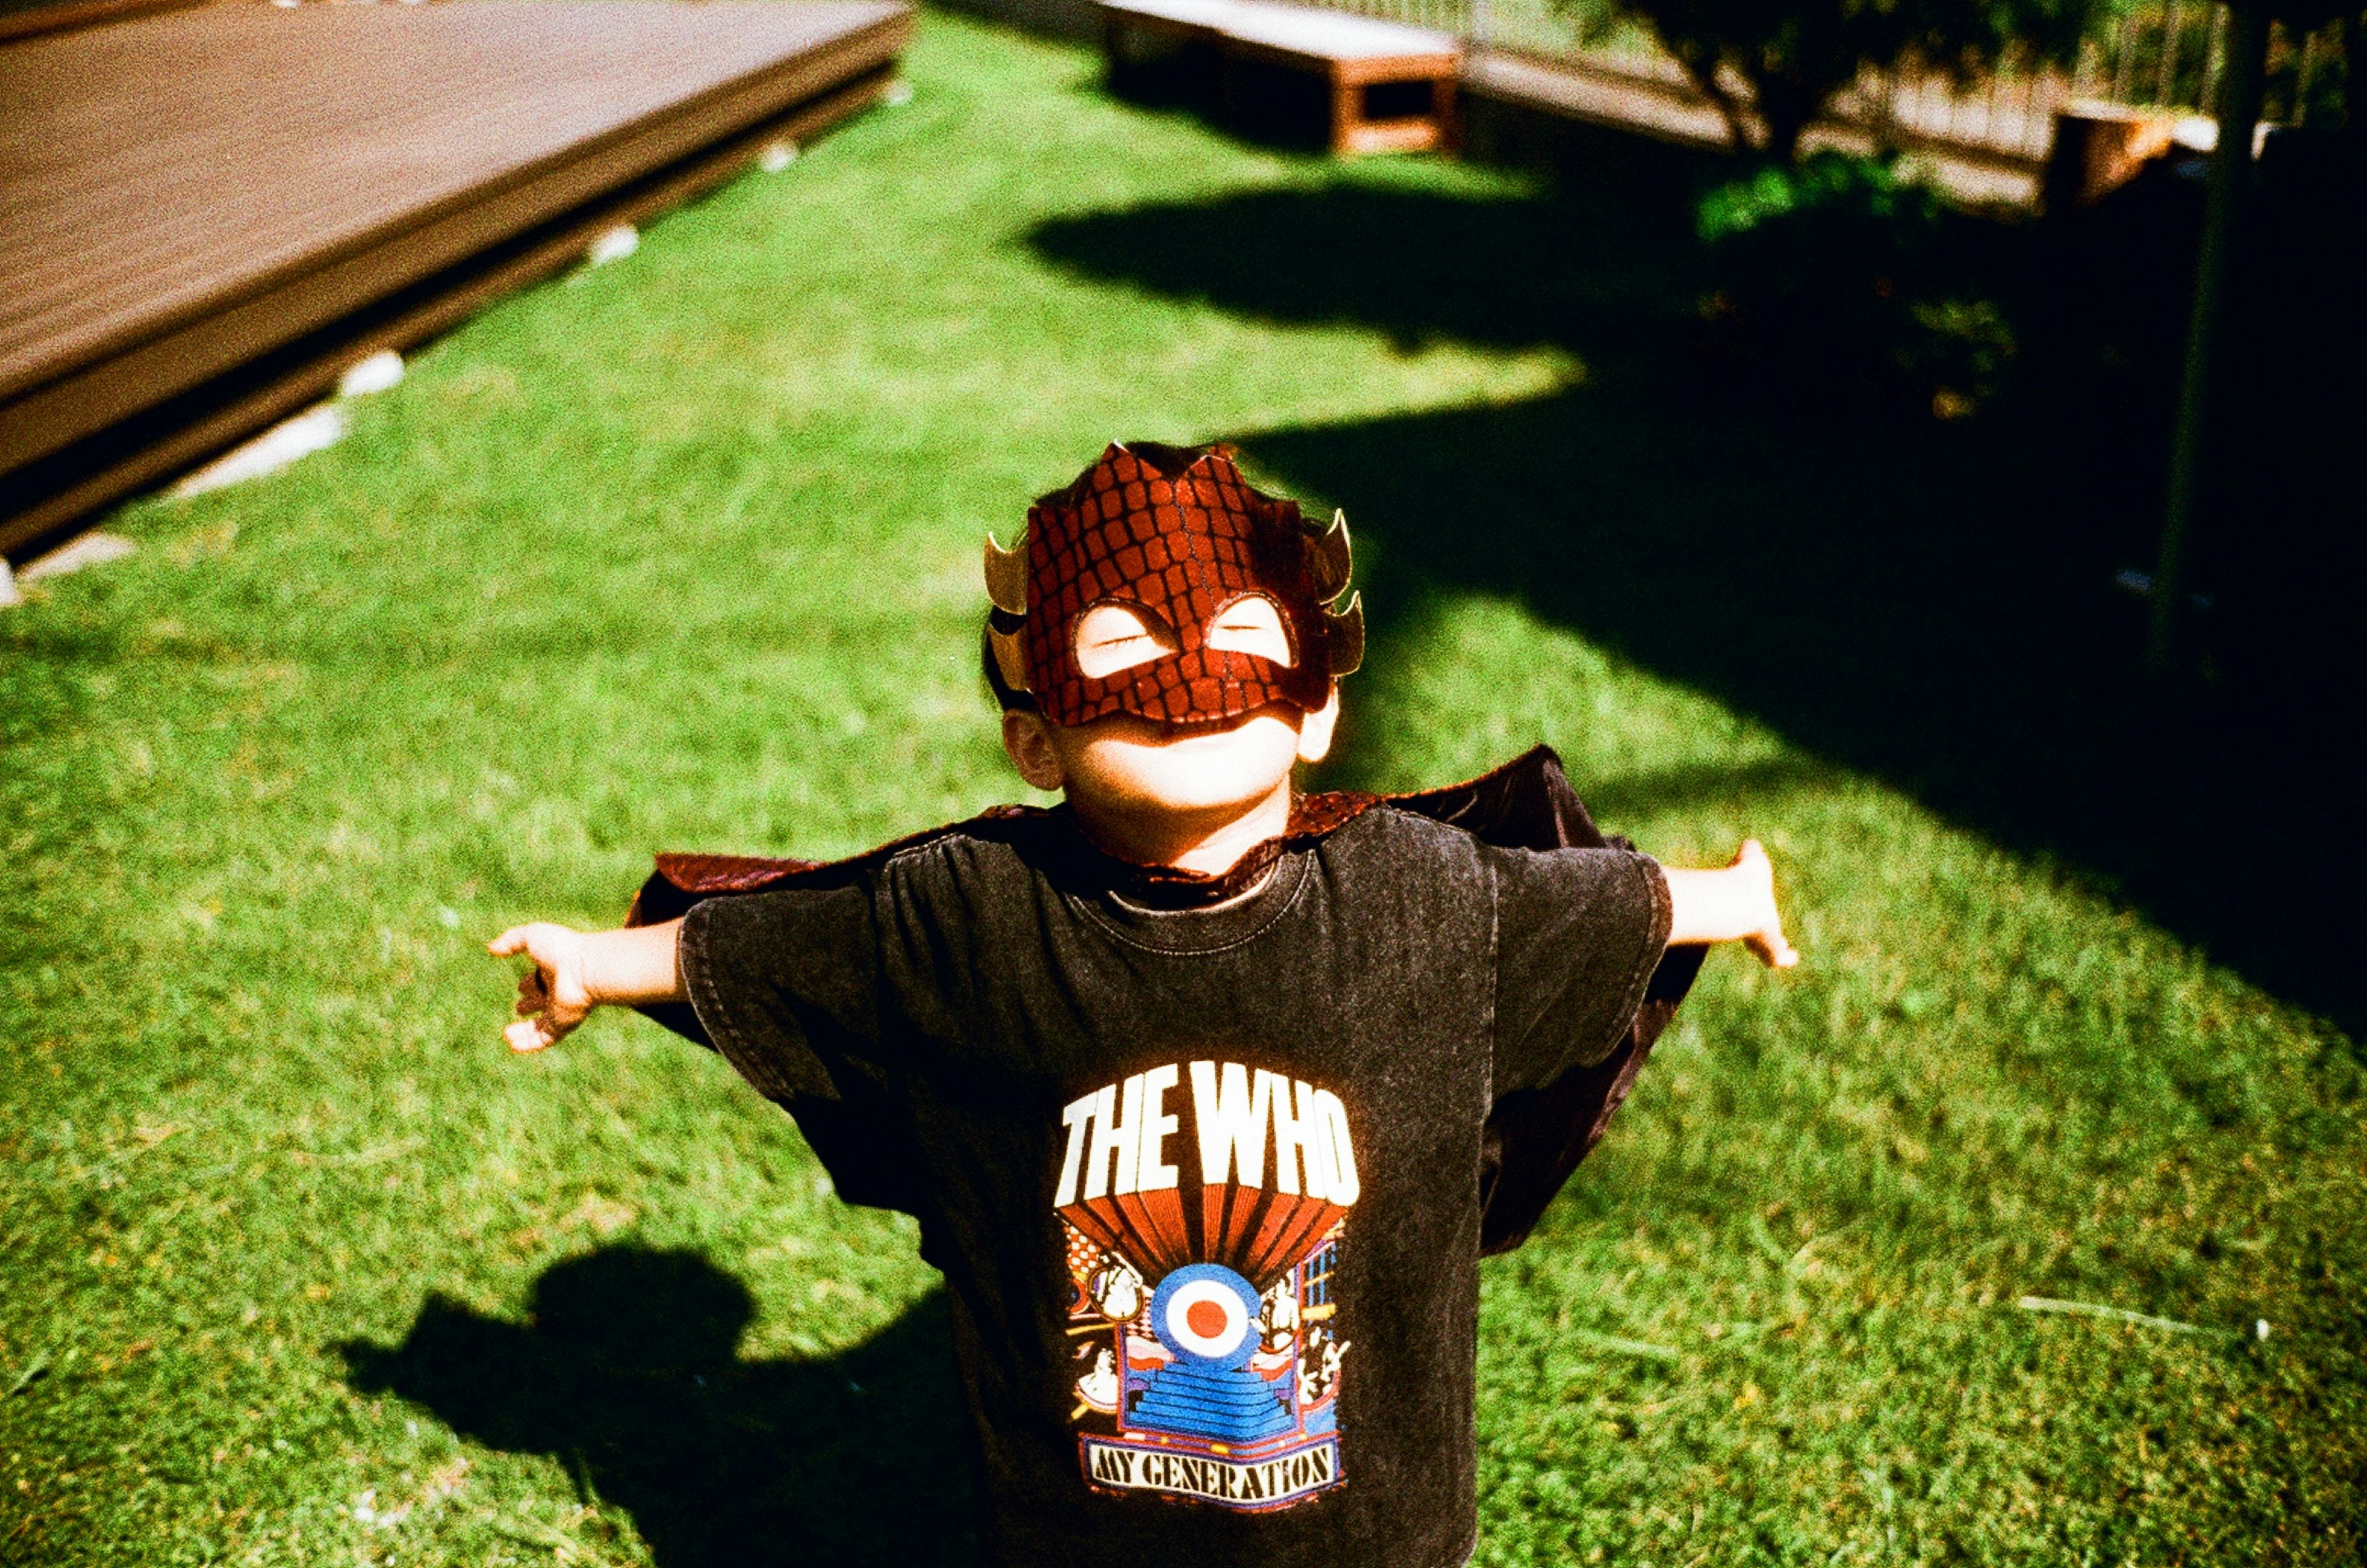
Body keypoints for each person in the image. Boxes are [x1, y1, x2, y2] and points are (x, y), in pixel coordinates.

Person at [489, 441, 1795, 1567]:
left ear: (1317, 712)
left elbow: (1613, 907)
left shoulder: (1430, 899)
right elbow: (787, 951)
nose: (1183, 675)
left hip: (1371, 1526)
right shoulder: (967, 916)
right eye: (1117, 645)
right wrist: (601, 967)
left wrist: (1729, 895)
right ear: (1036, 739)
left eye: (1239, 638)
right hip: (1081, 1529)